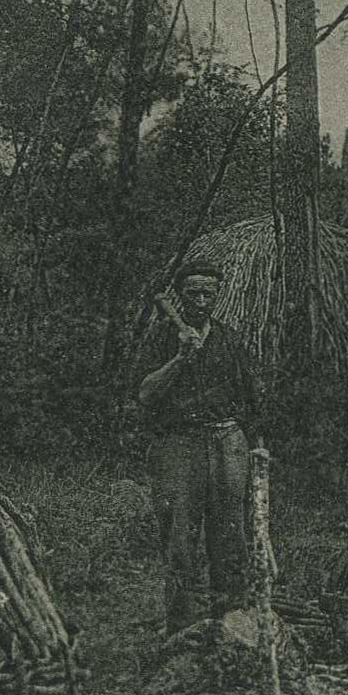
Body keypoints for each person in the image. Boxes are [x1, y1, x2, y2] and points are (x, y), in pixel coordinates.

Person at [132, 258, 263, 638]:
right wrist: (180, 359)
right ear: (180, 297)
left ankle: (232, 623)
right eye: (193, 294)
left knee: (230, 532)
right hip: (178, 445)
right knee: (180, 535)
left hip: (227, 442)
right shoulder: (161, 337)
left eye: (209, 293)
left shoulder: (229, 339)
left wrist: (254, 443)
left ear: (218, 295)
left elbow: (252, 397)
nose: (202, 301)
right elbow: (145, 393)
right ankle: (184, 629)